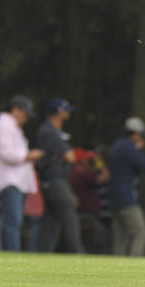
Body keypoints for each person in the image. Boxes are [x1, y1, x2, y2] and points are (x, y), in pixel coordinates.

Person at [0, 95, 44, 251]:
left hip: (16, 181)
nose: (26, 118)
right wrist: (30, 155)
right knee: (12, 223)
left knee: (13, 222)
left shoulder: (12, 127)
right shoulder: (3, 126)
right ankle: (13, 255)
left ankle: (10, 253)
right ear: (16, 109)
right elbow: (8, 154)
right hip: (9, 181)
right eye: (25, 114)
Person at [34, 98, 83, 253]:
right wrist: (64, 157)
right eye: (65, 110)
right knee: (70, 220)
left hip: (54, 180)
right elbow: (70, 156)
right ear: (59, 112)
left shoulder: (53, 131)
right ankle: (78, 254)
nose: (68, 113)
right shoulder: (49, 131)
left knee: (49, 221)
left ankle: (42, 255)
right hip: (54, 180)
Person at [108, 116, 145, 256]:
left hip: (114, 197)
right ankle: (135, 264)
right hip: (126, 197)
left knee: (121, 237)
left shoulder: (116, 146)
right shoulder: (128, 147)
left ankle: (117, 270)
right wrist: (137, 149)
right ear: (136, 134)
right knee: (140, 232)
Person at [69, 147, 110, 254]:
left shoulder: (75, 173)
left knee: (88, 242)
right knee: (97, 241)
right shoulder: (82, 174)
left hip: (83, 214)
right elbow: (105, 176)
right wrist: (99, 163)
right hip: (88, 215)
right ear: (82, 161)